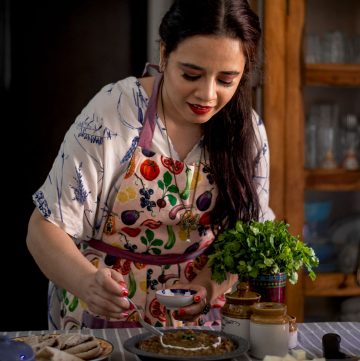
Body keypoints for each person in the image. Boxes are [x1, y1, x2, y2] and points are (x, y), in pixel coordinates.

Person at [26, 0, 274, 330]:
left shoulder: (247, 131)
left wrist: (205, 286)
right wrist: (88, 283)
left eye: (226, 80)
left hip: (199, 324)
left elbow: (245, 238)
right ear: (163, 54)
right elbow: (43, 230)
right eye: (191, 74)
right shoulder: (114, 113)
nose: (207, 94)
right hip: (104, 317)